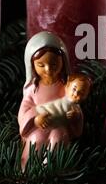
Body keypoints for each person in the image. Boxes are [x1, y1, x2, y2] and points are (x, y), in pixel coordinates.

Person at [18, 31, 83, 170]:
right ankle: (29, 170)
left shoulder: (66, 85)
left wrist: (75, 116)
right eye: (41, 65)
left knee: (59, 137)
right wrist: (35, 120)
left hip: (59, 126)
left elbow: (74, 104)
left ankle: (53, 172)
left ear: (63, 61)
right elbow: (24, 110)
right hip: (39, 127)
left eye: (54, 64)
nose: (48, 69)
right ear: (32, 65)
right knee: (36, 140)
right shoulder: (32, 89)